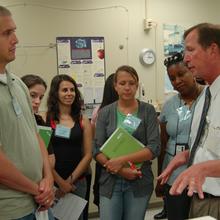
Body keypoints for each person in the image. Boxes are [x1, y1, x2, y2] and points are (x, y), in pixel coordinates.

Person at [158, 23, 220, 219]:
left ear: (213, 49)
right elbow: (209, 146)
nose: (185, 58)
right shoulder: (206, 97)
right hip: (201, 199)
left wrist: (202, 168)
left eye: (191, 50)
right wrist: (186, 156)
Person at [0, 5, 54, 220]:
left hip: (37, 201)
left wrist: (48, 179)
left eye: (14, 31)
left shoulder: (17, 84)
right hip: (11, 209)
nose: (16, 39)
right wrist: (38, 189)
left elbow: (35, 136)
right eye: (6, 33)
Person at [93, 65, 160, 220]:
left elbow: (154, 148)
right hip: (110, 181)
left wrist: (121, 161)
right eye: (122, 83)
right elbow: (96, 149)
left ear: (137, 85)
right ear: (115, 86)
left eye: (131, 83)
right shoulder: (105, 112)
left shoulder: (148, 111)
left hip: (139, 179)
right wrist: (120, 170)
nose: (127, 87)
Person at [155, 52, 205, 220]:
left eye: (181, 74)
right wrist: (161, 178)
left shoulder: (210, 98)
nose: (177, 81)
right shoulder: (169, 106)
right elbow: (163, 144)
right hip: (174, 173)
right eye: (172, 78)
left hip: (203, 173)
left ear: (193, 71)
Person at [46, 74, 92, 220]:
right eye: (64, 90)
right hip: (52, 183)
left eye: (72, 90)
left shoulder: (82, 120)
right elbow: (42, 156)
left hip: (78, 183)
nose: (69, 93)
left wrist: (68, 182)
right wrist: (60, 183)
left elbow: (88, 155)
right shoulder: (46, 119)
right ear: (56, 93)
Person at [91, 73, 119, 207]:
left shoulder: (98, 111)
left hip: (104, 161)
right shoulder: (101, 112)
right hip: (107, 162)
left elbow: (94, 140)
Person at [21, 74, 55, 167]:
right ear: (19, 93)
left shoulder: (39, 121)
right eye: (33, 95)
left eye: (41, 97)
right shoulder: (10, 120)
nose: (38, 101)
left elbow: (50, 158)